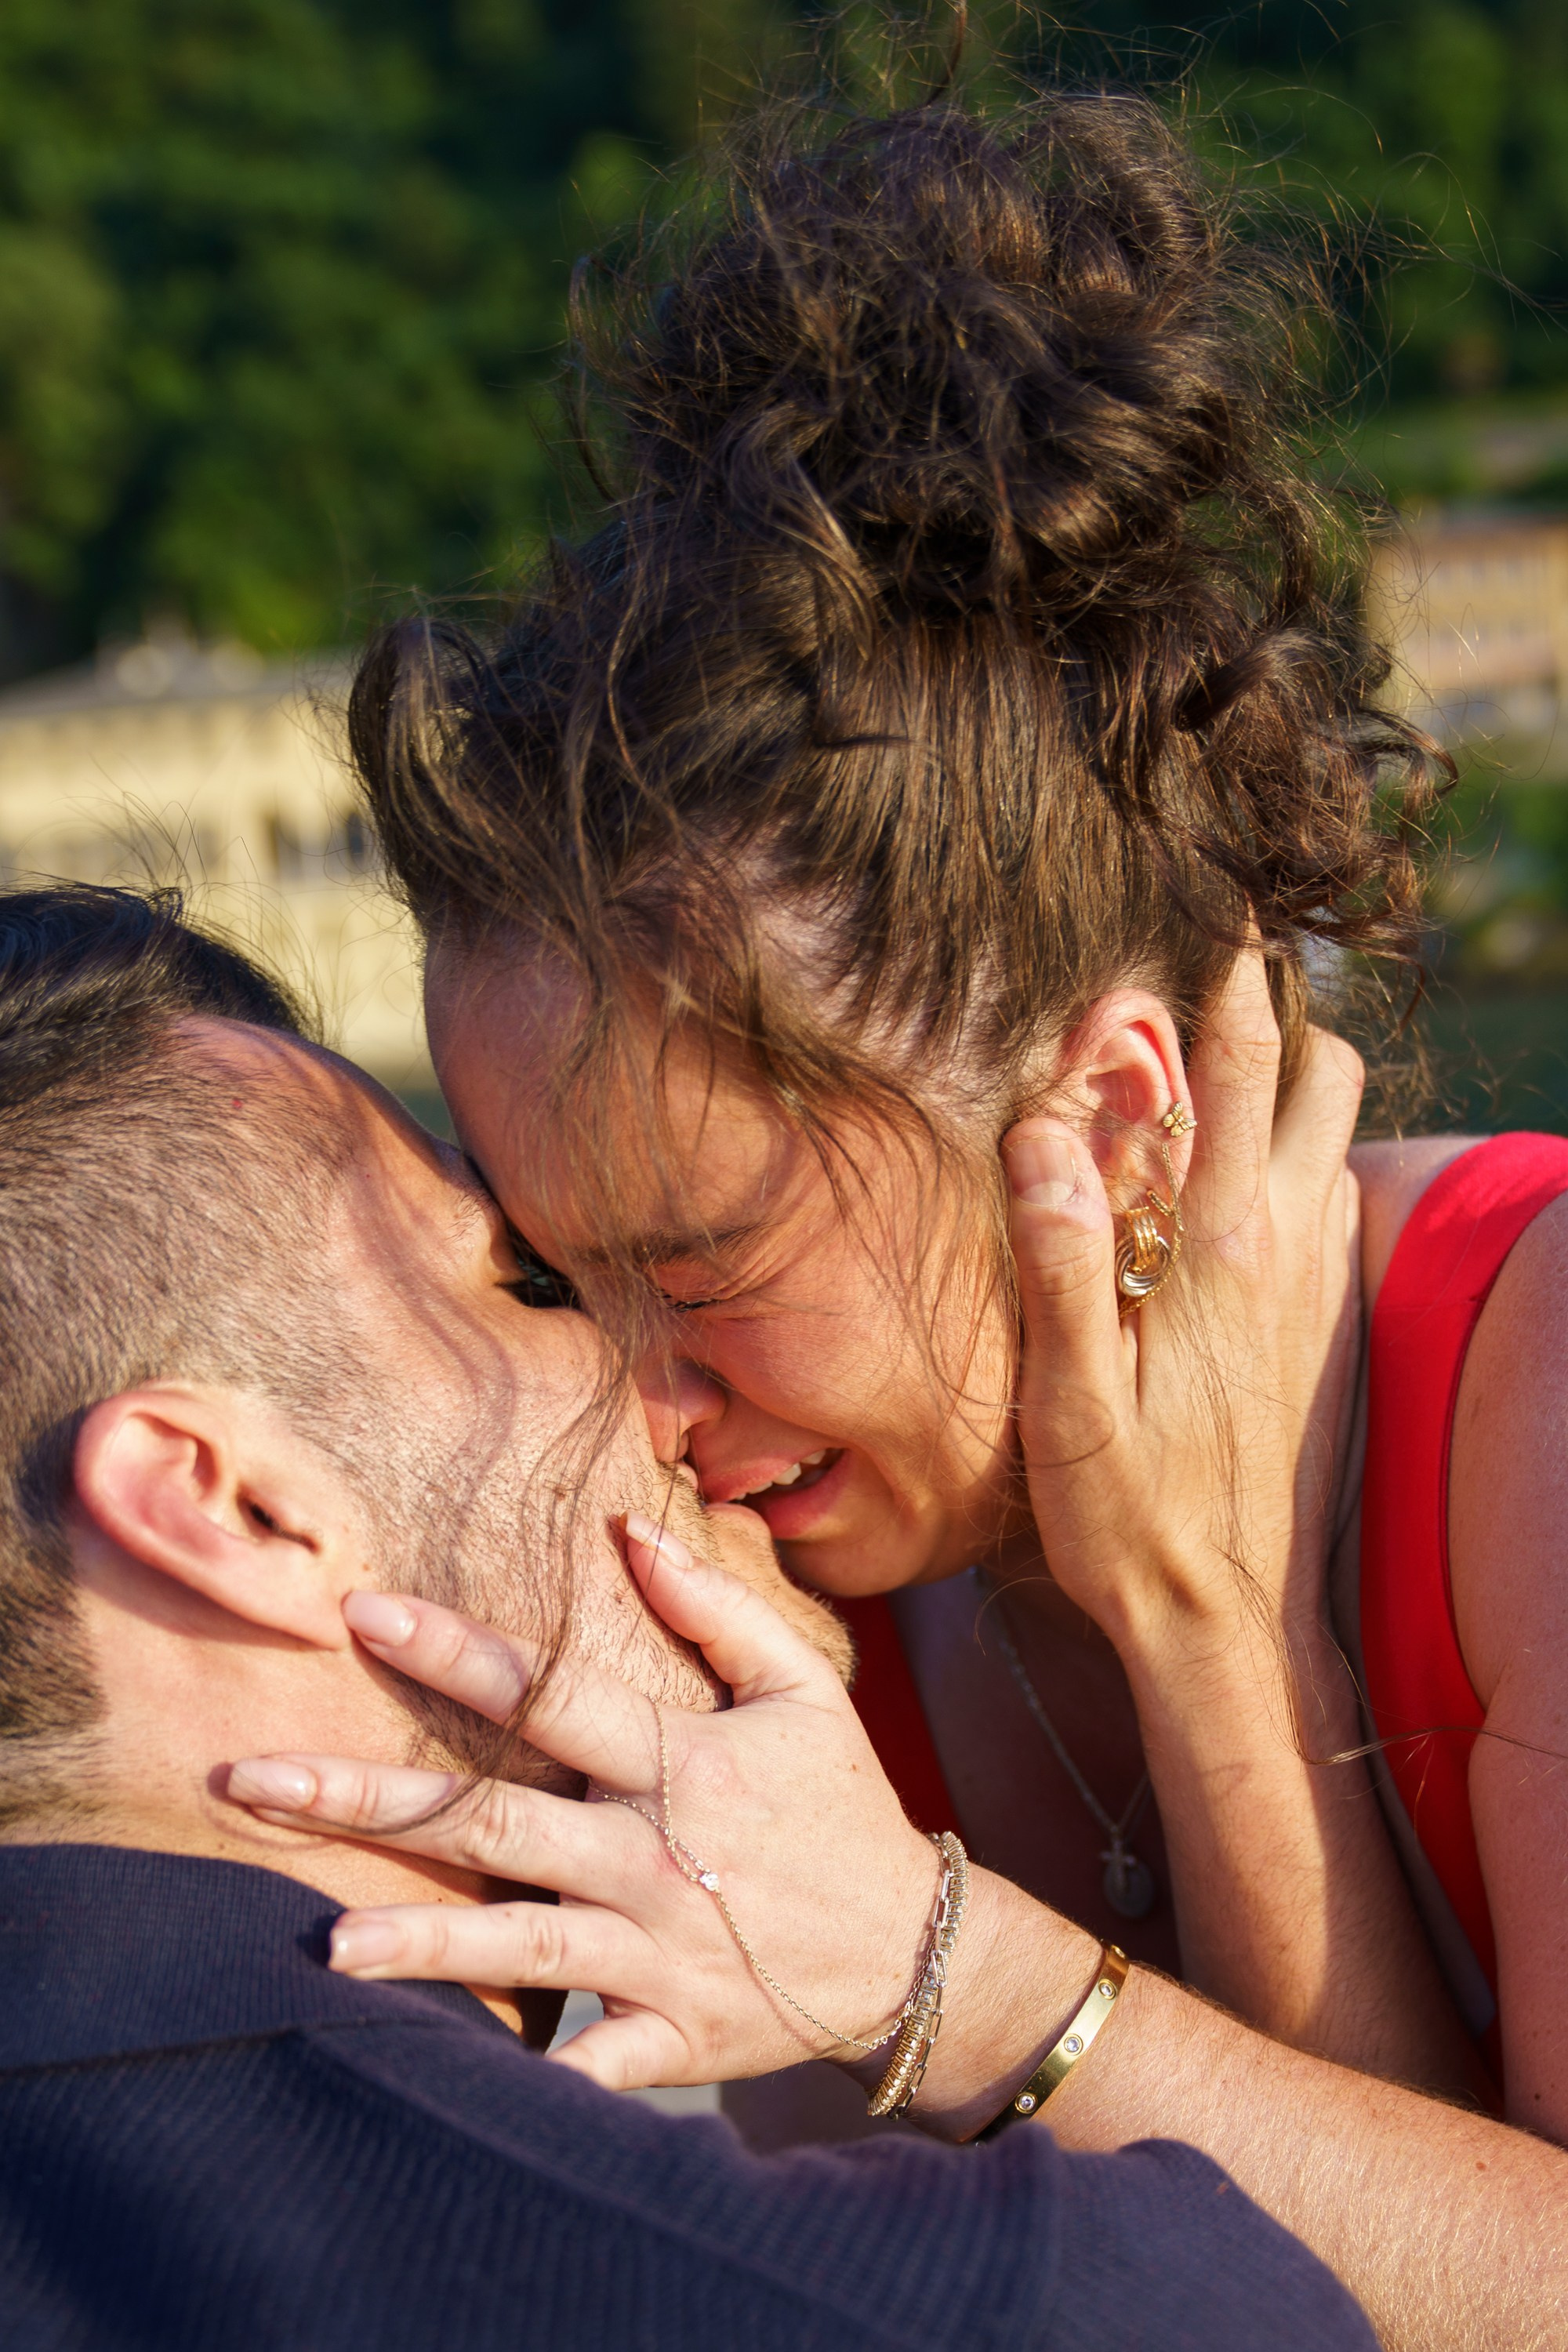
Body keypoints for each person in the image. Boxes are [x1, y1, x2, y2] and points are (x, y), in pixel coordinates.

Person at [346, 69, 1568, 2151]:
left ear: (1110, 1123)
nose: (631, 1408)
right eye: (559, 1279)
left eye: (699, 1267)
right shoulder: (798, 1613)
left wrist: (1205, 1637)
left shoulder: (1531, 1397)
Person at [0, 880, 1371, 2351]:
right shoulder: (977, 2309)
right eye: (528, 1284)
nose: (671, 1388)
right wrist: (949, 1965)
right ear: (231, 1507)